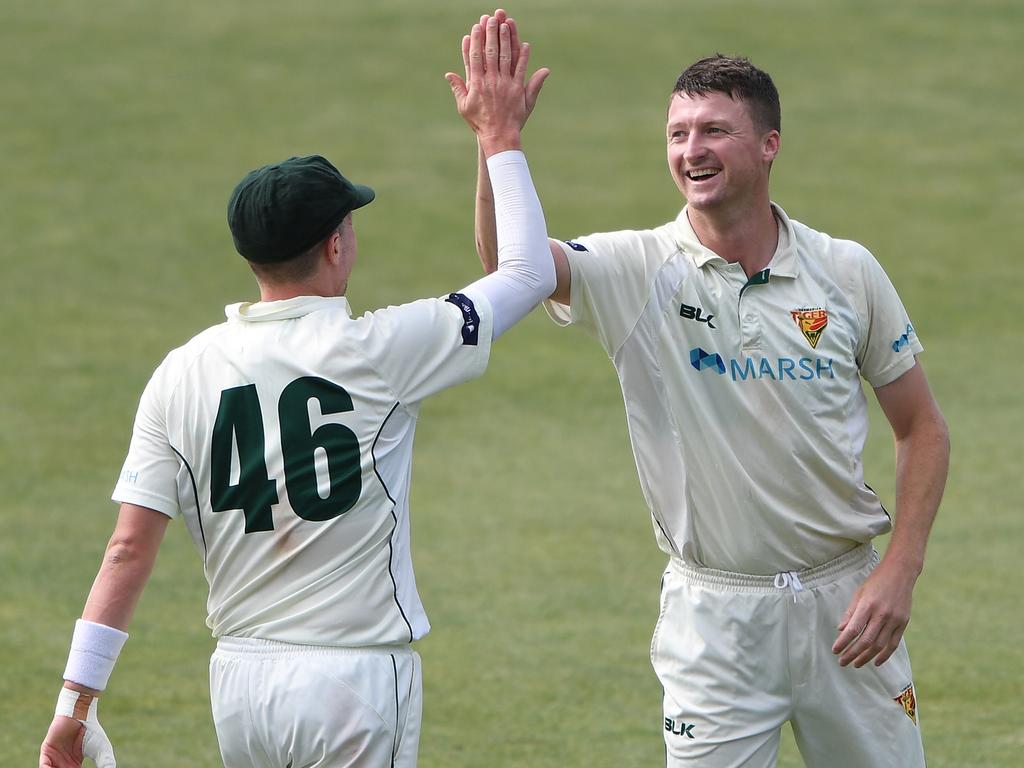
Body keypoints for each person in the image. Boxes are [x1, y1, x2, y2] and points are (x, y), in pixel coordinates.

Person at [39, 17, 553, 768]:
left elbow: (126, 551)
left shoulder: (181, 371)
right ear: (336, 243)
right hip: (356, 678)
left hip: (240, 683)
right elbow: (529, 274)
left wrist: (74, 705)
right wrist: (498, 138)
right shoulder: (380, 349)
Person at [469, 15, 950, 768]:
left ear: (769, 144)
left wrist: (901, 570)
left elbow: (922, 426)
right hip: (713, 620)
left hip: (849, 608)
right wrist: (498, 141)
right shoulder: (639, 269)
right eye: (677, 134)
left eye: (714, 131)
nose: (691, 150)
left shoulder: (847, 271)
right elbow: (512, 264)